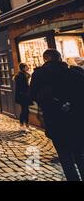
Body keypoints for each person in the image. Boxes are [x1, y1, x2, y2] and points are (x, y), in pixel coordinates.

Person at [29, 49, 84, 181]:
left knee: (65, 157)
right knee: (80, 155)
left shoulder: (39, 75)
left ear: (45, 59)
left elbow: (31, 96)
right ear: (60, 58)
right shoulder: (74, 73)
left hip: (55, 121)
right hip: (76, 120)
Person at [14, 63, 32, 132]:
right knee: (24, 110)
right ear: (23, 68)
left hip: (25, 95)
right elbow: (23, 86)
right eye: (27, 66)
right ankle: (21, 126)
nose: (28, 67)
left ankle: (27, 125)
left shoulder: (25, 75)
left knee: (26, 110)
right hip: (22, 95)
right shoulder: (20, 76)